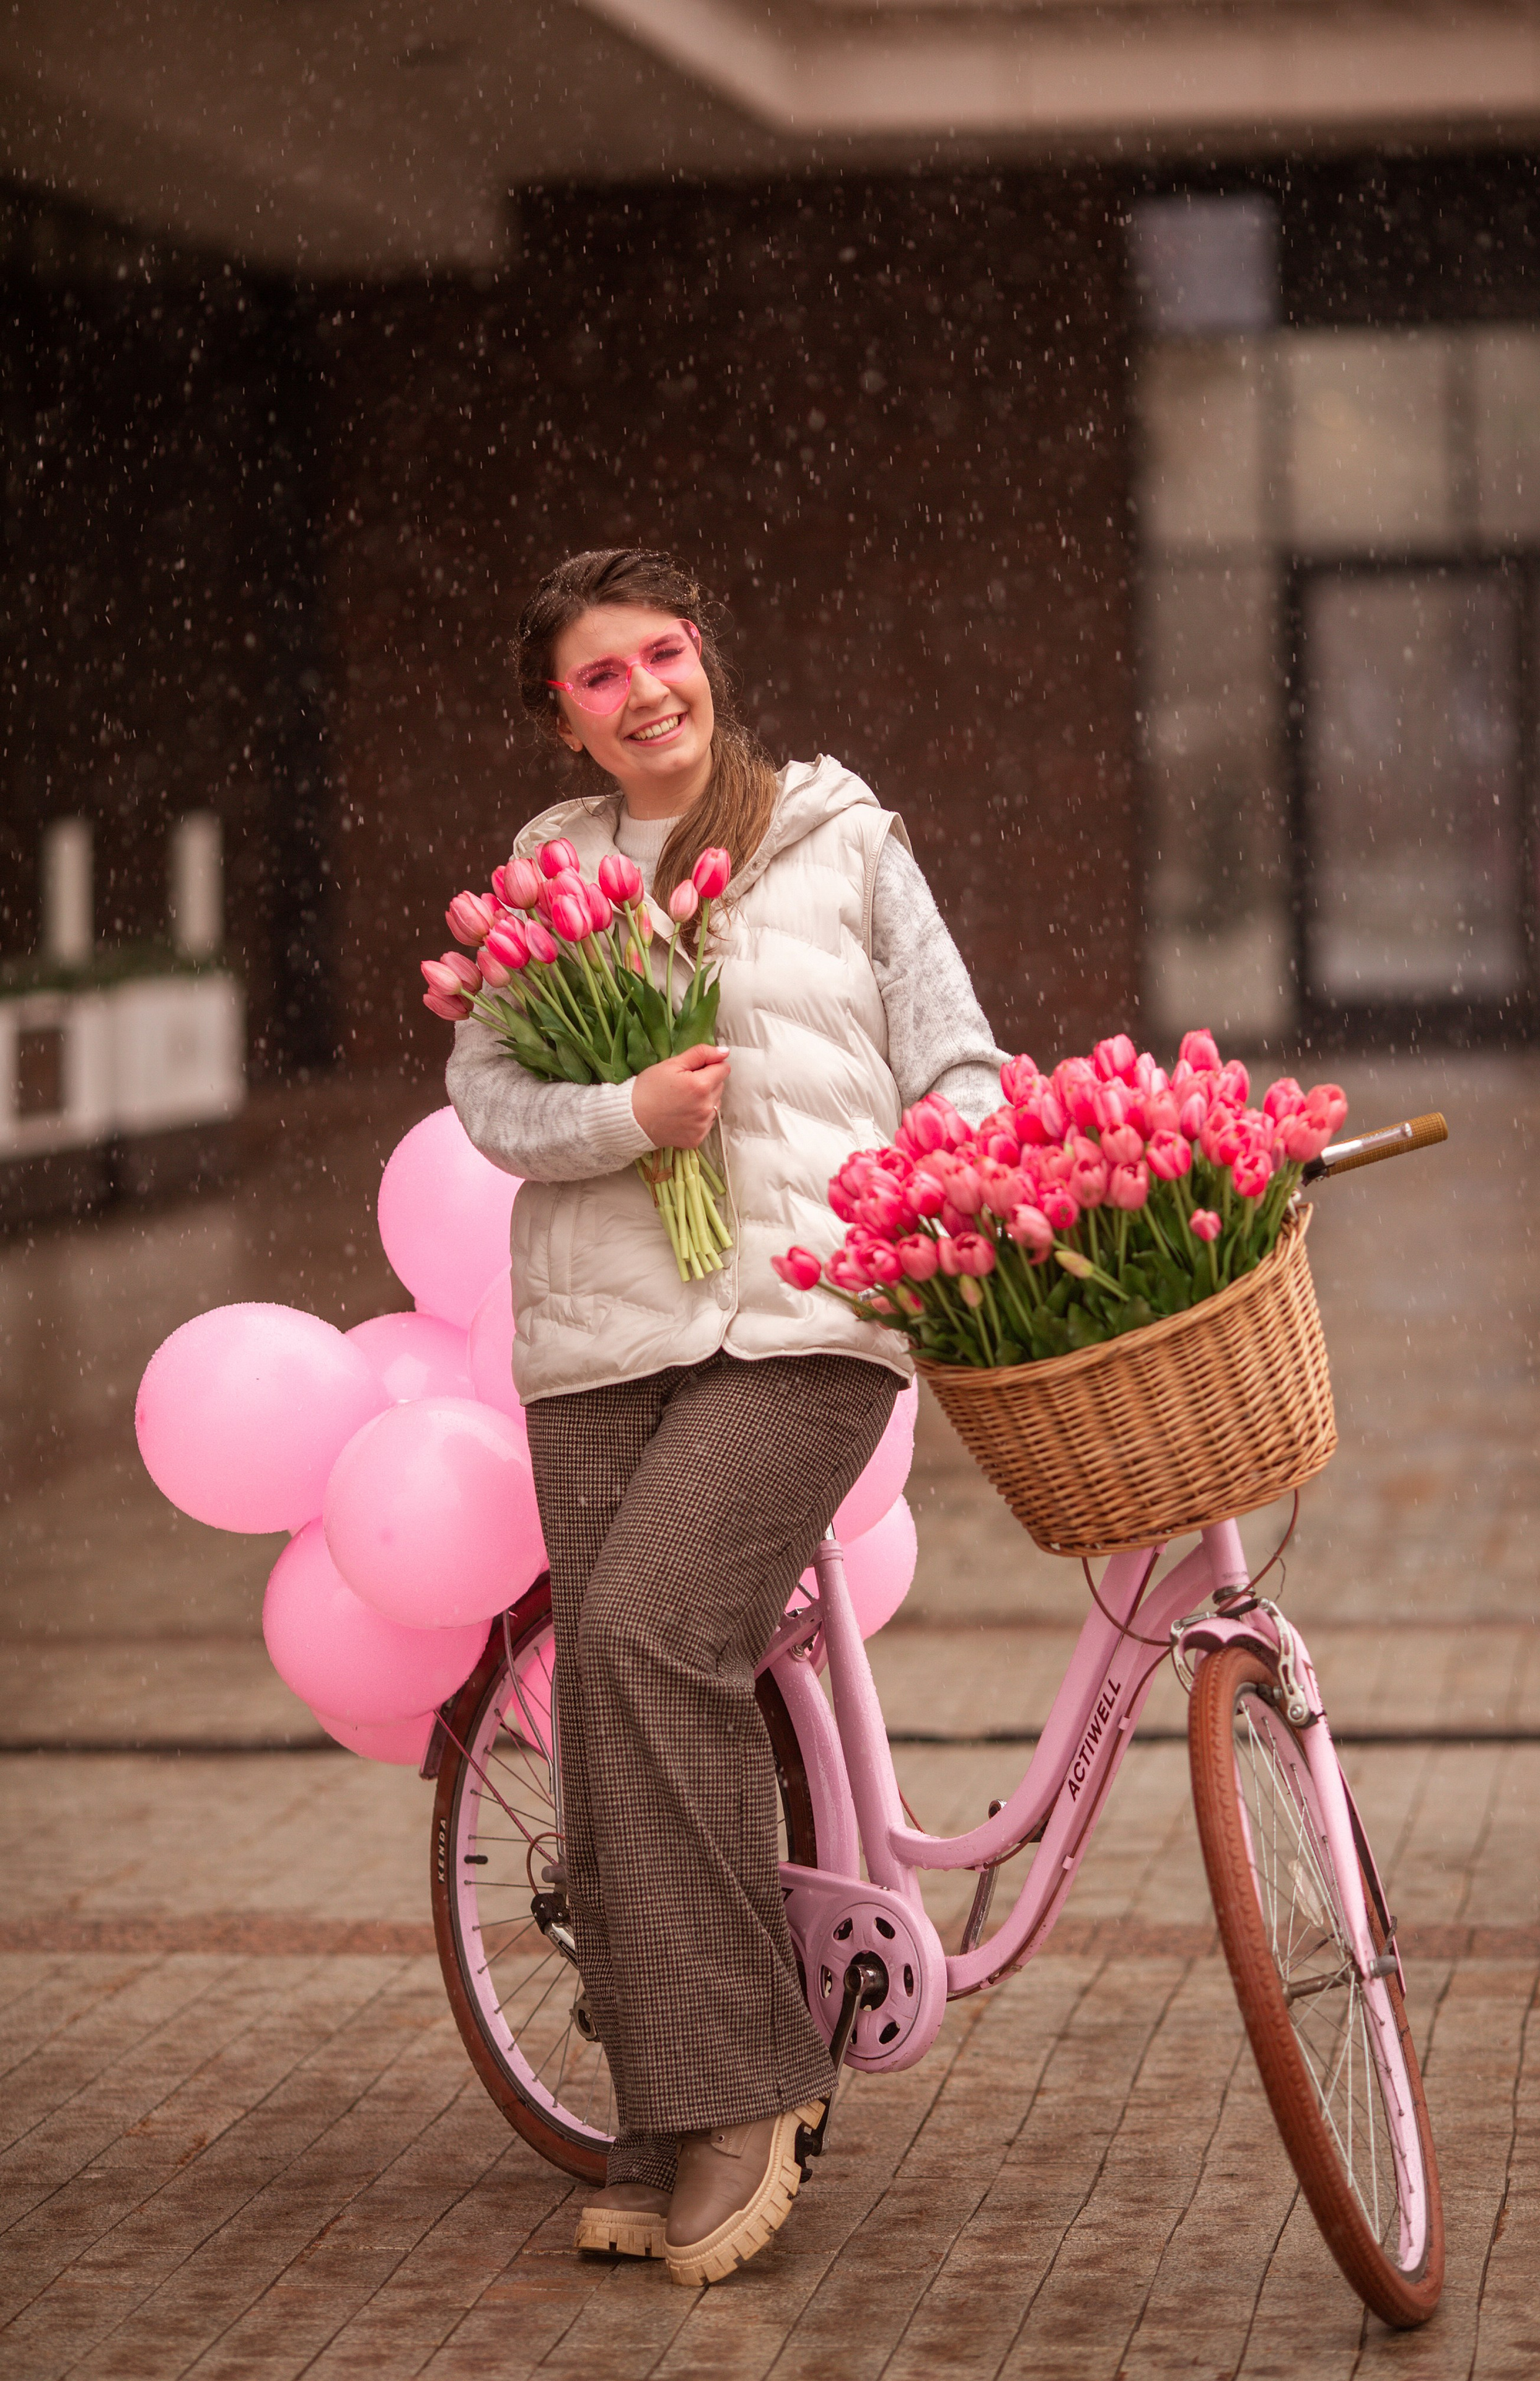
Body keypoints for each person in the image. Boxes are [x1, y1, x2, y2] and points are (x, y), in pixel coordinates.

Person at [447, 546, 1001, 2287]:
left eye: (662, 654)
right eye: (600, 677)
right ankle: (652, 2109)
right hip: (600, 1339)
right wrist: (626, 1108)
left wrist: (968, 1183)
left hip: (810, 1319)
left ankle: (753, 2085)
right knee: (603, 1727)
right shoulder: (548, 871)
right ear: (565, 715)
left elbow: (957, 1055)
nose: (645, 693)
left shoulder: (840, 837)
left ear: (709, 659)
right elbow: (487, 1096)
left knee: (643, 1640)